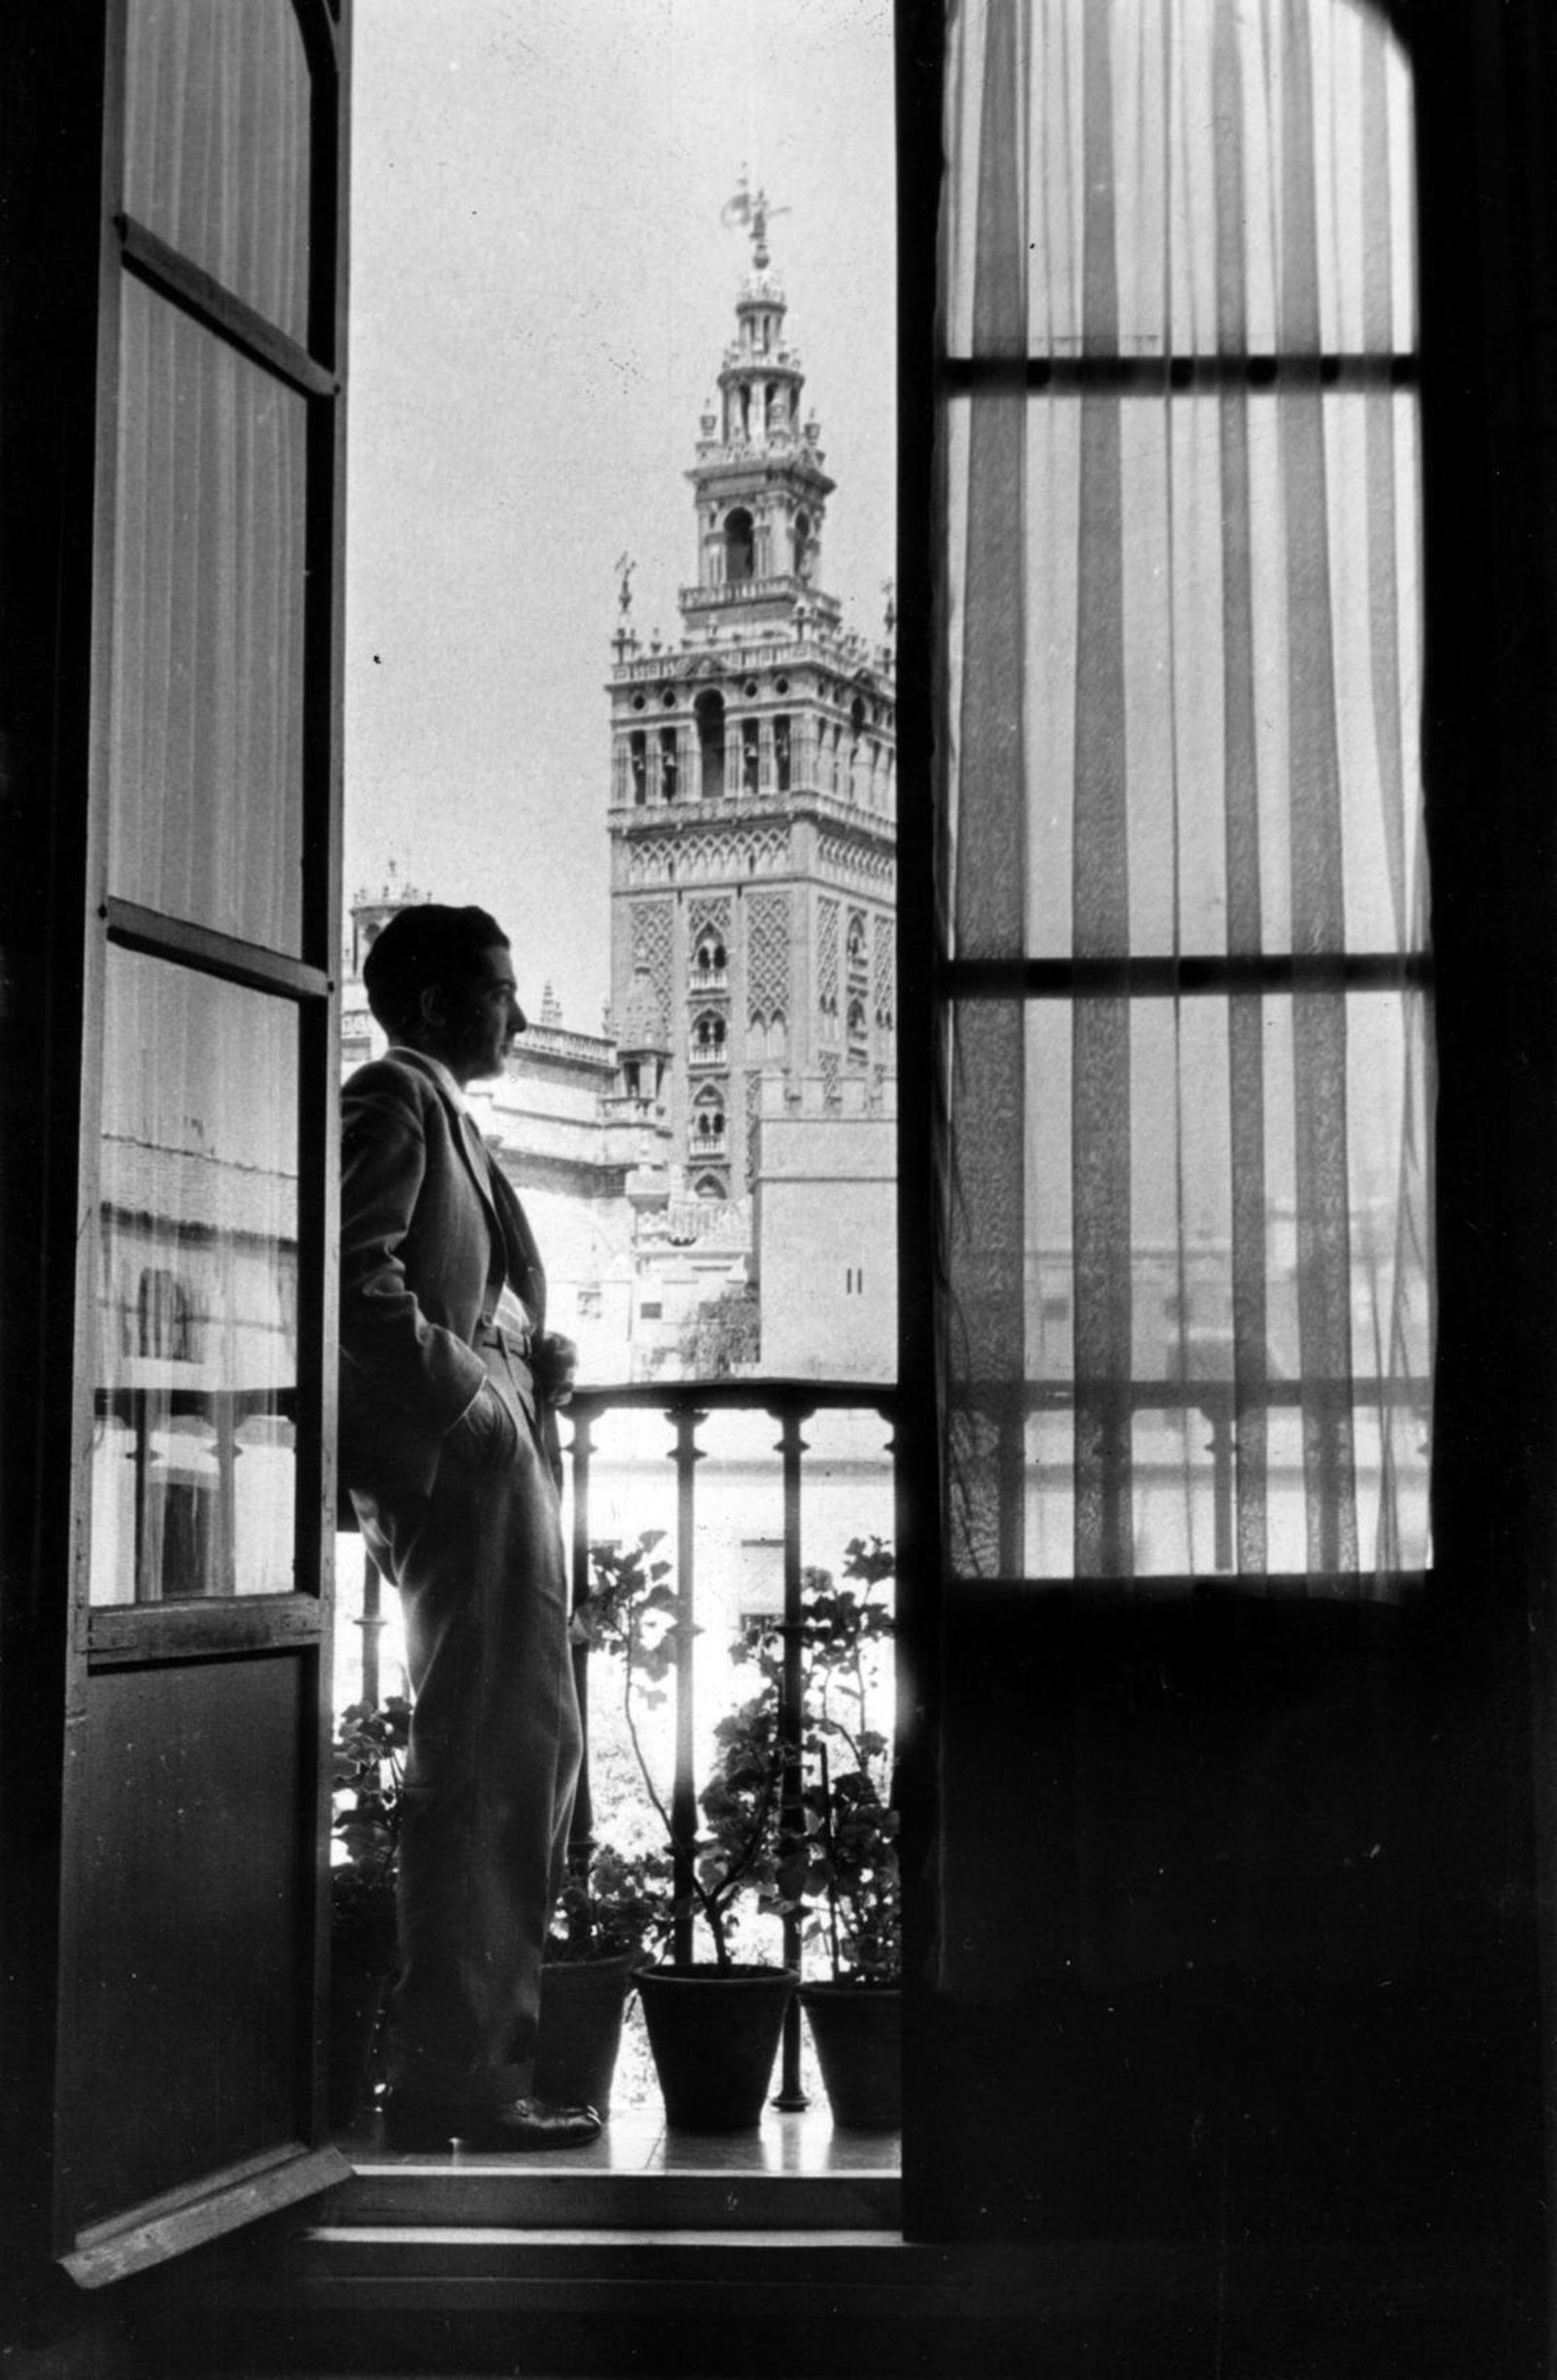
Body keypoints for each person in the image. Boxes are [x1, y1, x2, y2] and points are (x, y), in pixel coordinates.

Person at [339, 902, 599, 2151]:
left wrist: (518, 1355)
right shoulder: (390, 1097)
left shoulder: (439, 1112)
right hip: (462, 1475)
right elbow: (352, 1279)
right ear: (438, 1003)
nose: (521, 1013)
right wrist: (476, 1404)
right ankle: (465, 2082)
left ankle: (477, 2066)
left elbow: (433, 1284)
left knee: (519, 1758)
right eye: (499, 990)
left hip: (486, 1466)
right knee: (489, 1768)